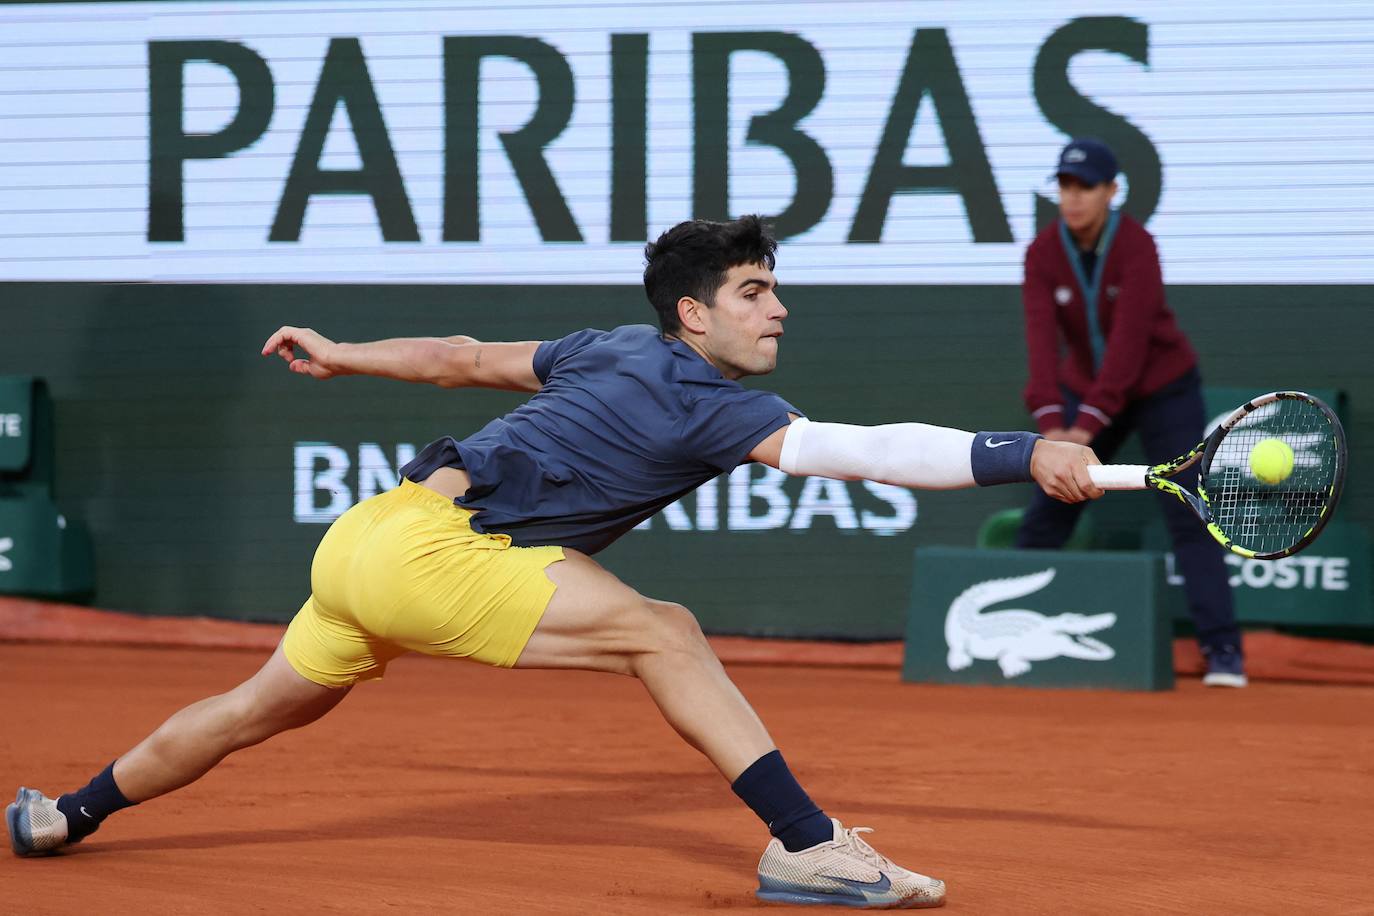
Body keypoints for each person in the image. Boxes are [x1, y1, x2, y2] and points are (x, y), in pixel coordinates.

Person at [8, 216, 1103, 909]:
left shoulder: (610, 346)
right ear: (694, 313)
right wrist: (1025, 451)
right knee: (663, 629)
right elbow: (864, 452)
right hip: (440, 552)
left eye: (776, 287)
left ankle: (64, 812)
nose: (779, 308)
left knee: (253, 707)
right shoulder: (715, 400)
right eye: (754, 292)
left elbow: (459, 360)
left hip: (368, 540)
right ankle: (807, 846)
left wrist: (342, 353)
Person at [1016, 138, 1246, 687]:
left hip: (1162, 387)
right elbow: (1041, 344)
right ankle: (1014, 636)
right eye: (1065, 187)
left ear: (1111, 192)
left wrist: (1085, 426)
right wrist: (1054, 429)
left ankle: (1222, 653)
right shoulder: (1042, 252)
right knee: (1051, 501)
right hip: (1085, 393)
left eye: (1085, 187)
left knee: (1191, 513)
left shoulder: (1138, 245)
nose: (1072, 199)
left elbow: (1129, 345)